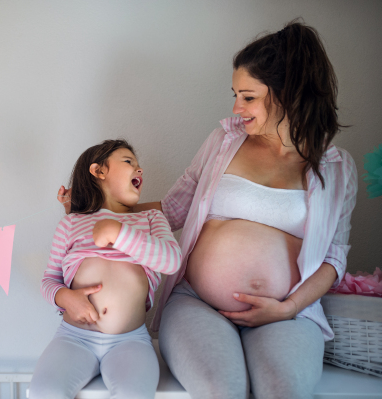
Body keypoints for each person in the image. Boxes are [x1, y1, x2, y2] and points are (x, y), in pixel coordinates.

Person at [56, 20, 357, 399]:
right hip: (198, 303)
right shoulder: (224, 141)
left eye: (248, 97)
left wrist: (288, 307)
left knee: (286, 390)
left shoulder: (336, 167)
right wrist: (91, 211)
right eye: (235, 94)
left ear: (287, 93)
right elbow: (172, 210)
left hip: (286, 312)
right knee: (221, 389)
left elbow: (334, 259)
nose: (236, 107)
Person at [30, 140, 182, 399]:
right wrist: (65, 297)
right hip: (74, 337)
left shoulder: (150, 219)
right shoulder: (72, 223)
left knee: (133, 394)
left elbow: (171, 261)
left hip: (129, 341)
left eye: (138, 164)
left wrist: (118, 233)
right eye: (128, 161)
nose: (139, 169)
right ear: (99, 171)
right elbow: (49, 280)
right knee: (44, 392)